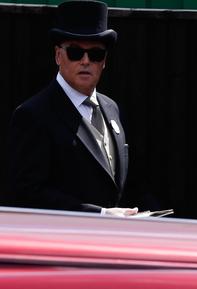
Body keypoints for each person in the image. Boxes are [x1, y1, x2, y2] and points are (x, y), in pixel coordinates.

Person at [3, 0, 139, 216]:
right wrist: (99, 214)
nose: (85, 61)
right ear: (58, 55)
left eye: (95, 54)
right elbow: (25, 195)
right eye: (75, 52)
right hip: (61, 242)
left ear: (104, 61)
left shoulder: (112, 109)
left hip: (114, 241)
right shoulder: (32, 115)